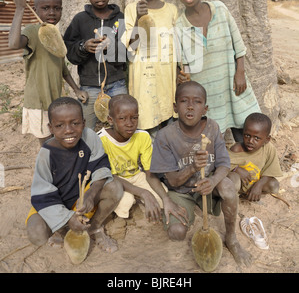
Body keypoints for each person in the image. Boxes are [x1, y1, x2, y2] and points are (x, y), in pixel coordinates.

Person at [150, 80, 252, 267]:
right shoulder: (165, 136)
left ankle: (231, 238)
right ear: (175, 107)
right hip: (181, 192)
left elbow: (223, 164)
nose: (190, 106)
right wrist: (192, 168)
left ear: (205, 109)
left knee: (228, 187)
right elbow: (172, 181)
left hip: (208, 186)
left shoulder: (212, 128)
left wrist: (212, 181)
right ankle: (191, 210)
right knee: (176, 234)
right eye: (184, 101)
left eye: (197, 102)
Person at [26, 96, 123, 253]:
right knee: (37, 235)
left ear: (83, 123)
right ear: (50, 128)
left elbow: (101, 167)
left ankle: (95, 227)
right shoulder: (46, 154)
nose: (69, 130)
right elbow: (42, 194)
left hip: (80, 199)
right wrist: (67, 218)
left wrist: (91, 193)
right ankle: (63, 229)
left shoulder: (89, 137)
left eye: (75, 123)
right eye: (59, 125)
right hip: (56, 201)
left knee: (114, 187)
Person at [175, 0, 260, 142]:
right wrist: (181, 74)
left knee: (244, 129)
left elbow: (238, 44)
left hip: (232, 83)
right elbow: (183, 63)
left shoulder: (220, 9)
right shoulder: (179, 25)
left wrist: (240, 72)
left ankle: (251, 165)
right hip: (207, 89)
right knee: (213, 137)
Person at [9, 0, 88, 146]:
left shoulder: (55, 34)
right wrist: (19, 8)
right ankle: (47, 169)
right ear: (36, 8)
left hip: (55, 102)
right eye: (46, 8)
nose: (52, 12)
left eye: (57, 8)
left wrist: (76, 89)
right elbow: (13, 44)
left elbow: (62, 69)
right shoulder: (32, 31)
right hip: (39, 103)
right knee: (47, 145)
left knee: (57, 141)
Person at [98, 94, 187, 225]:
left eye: (134, 118)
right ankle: (120, 215)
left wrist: (166, 198)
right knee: (125, 202)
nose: (129, 124)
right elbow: (107, 176)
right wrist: (144, 192)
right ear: (110, 120)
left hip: (135, 175)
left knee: (162, 197)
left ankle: (140, 200)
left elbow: (149, 173)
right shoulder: (100, 140)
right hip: (113, 180)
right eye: (122, 119)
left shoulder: (143, 136)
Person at [64, 0, 127, 130]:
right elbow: (70, 51)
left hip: (117, 83)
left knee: (123, 124)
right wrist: (83, 47)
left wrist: (110, 47)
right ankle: (89, 154)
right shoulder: (79, 20)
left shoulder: (121, 19)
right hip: (89, 86)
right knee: (86, 129)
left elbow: (128, 51)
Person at [124, 0, 178, 137]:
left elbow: (177, 45)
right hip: (144, 81)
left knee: (169, 126)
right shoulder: (132, 9)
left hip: (167, 80)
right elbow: (131, 46)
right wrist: (140, 17)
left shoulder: (171, 10)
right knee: (149, 130)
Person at [227, 112, 282, 201]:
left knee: (274, 185)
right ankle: (235, 197)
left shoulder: (269, 149)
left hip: (254, 182)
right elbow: (222, 164)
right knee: (233, 180)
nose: (250, 141)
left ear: (267, 139)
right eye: (247, 135)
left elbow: (270, 172)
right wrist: (236, 169)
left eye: (256, 138)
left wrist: (258, 186)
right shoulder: (237, 149)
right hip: (239, 186)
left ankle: (252, 194)